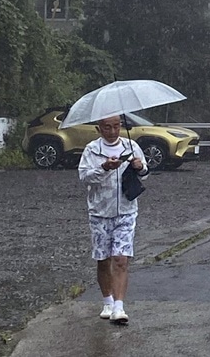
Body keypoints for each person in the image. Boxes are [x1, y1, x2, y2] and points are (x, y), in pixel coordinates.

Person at [78, 115, 150, 325]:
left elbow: (145, 174)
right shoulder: (92, 150)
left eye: (117, 126)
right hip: (100, 212)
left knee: (121, 258)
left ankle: (119, 307)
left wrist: (139, 167)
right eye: (107, 127)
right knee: (103, 259)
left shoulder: (131, 145)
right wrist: (104, 168)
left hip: (126, 210)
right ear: (99, 128)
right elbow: (84, 177)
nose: (112, 131)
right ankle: (107, 301)